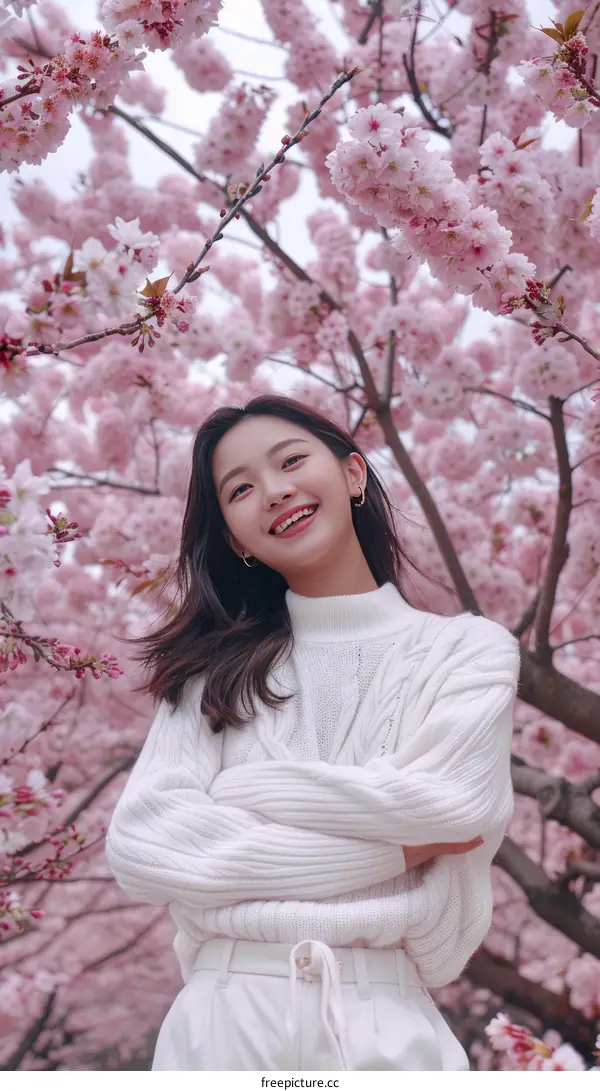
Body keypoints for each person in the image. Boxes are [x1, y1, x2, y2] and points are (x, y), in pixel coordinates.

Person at [105, 393, 521, 1072]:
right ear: (235, 539)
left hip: (385, 1012)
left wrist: (247, 790)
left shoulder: (466, 651)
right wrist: (400, 850)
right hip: (228, 1013)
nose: (274, 491)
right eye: (240, 489)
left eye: (291, 461)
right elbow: (143, 844)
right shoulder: (212, 674)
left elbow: (455, 808)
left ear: (353, 474)